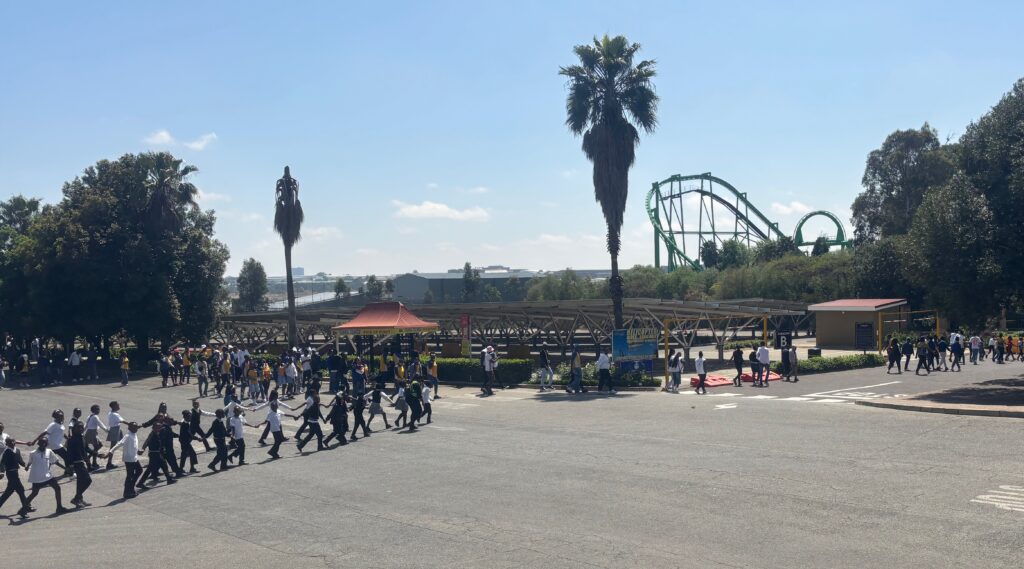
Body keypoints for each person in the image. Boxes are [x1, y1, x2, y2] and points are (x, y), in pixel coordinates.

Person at [21, 436, 69, 516]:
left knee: (57, 488)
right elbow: (30, 461)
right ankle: (22, 509)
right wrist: (27, 466)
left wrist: (65, 468)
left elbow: (55, 462)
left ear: (47, 444)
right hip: (37, 477)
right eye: (42, 442)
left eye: (45, 443)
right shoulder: (33, 453)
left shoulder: (49, 451)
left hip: (47, 475)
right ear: (38, 444)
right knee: (34, 493)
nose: (43, 444)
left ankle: (59, 507)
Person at [31, 410, 71, 478]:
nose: (62, 417)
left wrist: (68, 438)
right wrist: (35, 440)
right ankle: (67, 471)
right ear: (55, 417)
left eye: (62, 416)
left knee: (51, 461)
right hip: (53, 446)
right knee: (63, 458)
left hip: (57, 445)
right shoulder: (53, 424)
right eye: (60, 416)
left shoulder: (60, 423)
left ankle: (45, 475)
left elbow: (62, 432)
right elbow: (45, 433)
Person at [137, 422, 176, 489]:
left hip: (157, 453)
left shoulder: (157, 433)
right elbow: (146, 442)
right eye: (157, 427)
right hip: (154, 454)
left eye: (159, 427)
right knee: (150, 469)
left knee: (163, 465)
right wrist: (143, 449)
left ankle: (169, 479)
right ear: (153, 428)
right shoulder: (152, 434)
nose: (159, 428)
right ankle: (140, 483)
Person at [108, 422, 142, 498]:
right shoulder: (127, 436)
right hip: (129, 459)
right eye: (133, 427)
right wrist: (111, 451)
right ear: (129, 428)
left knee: (139, 471)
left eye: (136, 427)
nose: (135, 428)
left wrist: (138, 450)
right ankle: (127, 493)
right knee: (130, 476)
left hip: (134, 457)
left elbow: (134, 445)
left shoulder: (134, 434)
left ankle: (131, 488)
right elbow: (119, 444)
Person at [0, 437, 30, 516]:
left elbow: (20, 461)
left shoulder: (17, 450)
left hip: (15, 473)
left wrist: (25, 466)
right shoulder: (7, 452)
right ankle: (24, 510)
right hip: (10, 474)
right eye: (10, 442)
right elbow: (2, 463)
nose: (13, 443)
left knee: (9, 492)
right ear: (7, 444)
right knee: (20, 490)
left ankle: (26, 507)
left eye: (13, 441)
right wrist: (2, 472)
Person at [66, 422, 93, 507]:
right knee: (88, 480)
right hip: (76, 463)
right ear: (74, 429)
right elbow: (69, 453)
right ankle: (76, 498)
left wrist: (97, 454)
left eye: (82, 427)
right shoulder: (71, 439)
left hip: (81, 462)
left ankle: (79, 499)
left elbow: (86, 449)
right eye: (79, 428)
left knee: (80, 482)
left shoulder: (82, 437)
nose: (81, 429)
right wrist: (70, 465)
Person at [84, 404, 108, 469]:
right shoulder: (95, 417)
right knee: (97, 446)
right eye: (96, 409)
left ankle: (90, 457)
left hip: (91, 433)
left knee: (98, 446)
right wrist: (107, 430)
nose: (98, 410)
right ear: (92, 410)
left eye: (98, 409)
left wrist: (83, 431)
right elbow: (100, 424)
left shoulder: (90, 416)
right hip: (92, 433)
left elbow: (86, 425)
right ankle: (94, 462)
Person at [105, 401, 126, 469]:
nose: (119, 406)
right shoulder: (114, 414)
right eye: (117, 405)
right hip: (115, 430)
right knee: (113, 447)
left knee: (124, 442)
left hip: (117, 429)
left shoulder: (112, 413)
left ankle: (131, 455)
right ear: (114, 406)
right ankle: (109, 463)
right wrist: (131, 424)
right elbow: (122, 421)